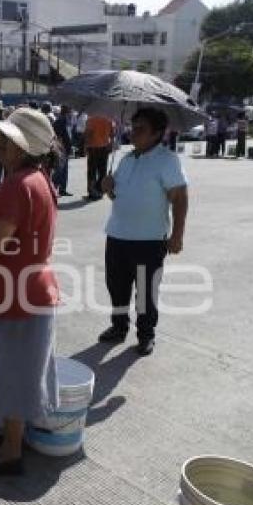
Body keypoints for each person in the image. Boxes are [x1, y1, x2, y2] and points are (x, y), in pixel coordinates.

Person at [0, 108, 61, 476]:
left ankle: (10, 452)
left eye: (4, 141)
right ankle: (11, 437)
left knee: (11, 374)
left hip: (16, 295)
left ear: (21, 147)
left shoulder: (18, 186)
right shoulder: (40, 179)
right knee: (18, 371)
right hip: (31, 289)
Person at [99, 108, 189, 356]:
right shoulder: (127, 158)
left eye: (141, 129)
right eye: (133, 126)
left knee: (145, 293)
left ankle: (146, 334)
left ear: (157, 133)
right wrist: (108, 187)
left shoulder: (167, 160)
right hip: (117, 236)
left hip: (148, 241)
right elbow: (118, 194)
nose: (133, 132)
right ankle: (118, 327)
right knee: (116, 288)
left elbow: (179, 198)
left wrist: (177, 235)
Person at [84, 114, 114, 200]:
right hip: (104, 147)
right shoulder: (108, 118)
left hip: (93, 147)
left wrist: (85, 147)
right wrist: (111, 144)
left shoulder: (91, 119)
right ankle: (100, 191)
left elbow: (88, 134)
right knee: (102, 170)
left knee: (92, 171)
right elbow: (112, 134)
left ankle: (92, 192)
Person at [52, 104, 73, 197]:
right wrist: (61, 149)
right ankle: (54, 189)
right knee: (59, 171)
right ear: (67, 111)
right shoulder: (61, 120)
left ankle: (62, 189)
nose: (71, 112)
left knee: (64, 170)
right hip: (62, 149)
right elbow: (59, 136)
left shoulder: (65, 120)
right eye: (70, 110)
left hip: (65, 148)